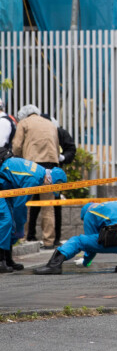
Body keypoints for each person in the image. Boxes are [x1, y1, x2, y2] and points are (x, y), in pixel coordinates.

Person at [34, 201, 117, 275]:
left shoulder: (90, 214)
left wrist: (86, 262)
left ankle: (54, 265)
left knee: (78, 240)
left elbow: (90, 244)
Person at [0, 157, 67, 273]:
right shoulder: (34, 180)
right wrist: (20, 227)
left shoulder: (40, 172)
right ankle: (1, 261)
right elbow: (19, 206)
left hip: (6, 184)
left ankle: (8, 260)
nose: (48, 190)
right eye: (50, 187)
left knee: (10, 224)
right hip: (2, 183)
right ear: (49, 180)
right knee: (6, 221)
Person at [12, 104, 60, 249]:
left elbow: (16, 146)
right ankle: (49, 241)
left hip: (31, 167)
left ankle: (23, 237)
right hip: (50, 167)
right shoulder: (50, 123)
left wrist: (17, 161)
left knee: (25, 203)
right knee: (48, 206)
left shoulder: (24, 123)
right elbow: (57, 147)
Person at [27, 116, 76, 246]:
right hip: (37, 169)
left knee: (54, 206)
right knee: (34, 205)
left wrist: (62, 157)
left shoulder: (59, 132)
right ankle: (30, 235)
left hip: (53, 173)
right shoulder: (35, 132)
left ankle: (54, 238)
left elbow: (71, 149)